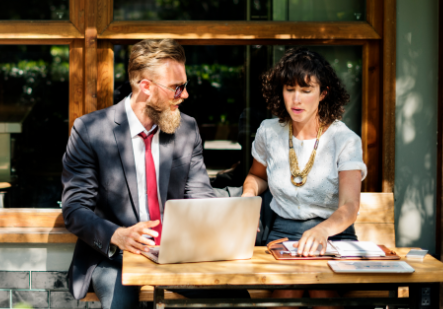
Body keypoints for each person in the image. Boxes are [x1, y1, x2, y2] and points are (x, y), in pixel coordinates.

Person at [61, 39, 248, 309]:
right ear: (146, 87)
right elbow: (75, 209)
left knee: (237, 300)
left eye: (184, 86)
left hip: (175, 254)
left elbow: (199, 198)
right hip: (115, 256)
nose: (184, 95)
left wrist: (224, 222)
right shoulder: (90, 131)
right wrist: (118, 235)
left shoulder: (187, 129)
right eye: (176, 87)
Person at [242, 47, 367, 309]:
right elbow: (256, 176)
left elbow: (350, 206)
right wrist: (248, 200)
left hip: (334, 235)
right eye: (290, 88)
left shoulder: (344, 139)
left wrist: (321, 231)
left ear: (323, 93)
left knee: (321, 288)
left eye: (306, 90)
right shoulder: (269, 131)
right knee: (288, 290)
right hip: (282, 233)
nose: (296, 99)